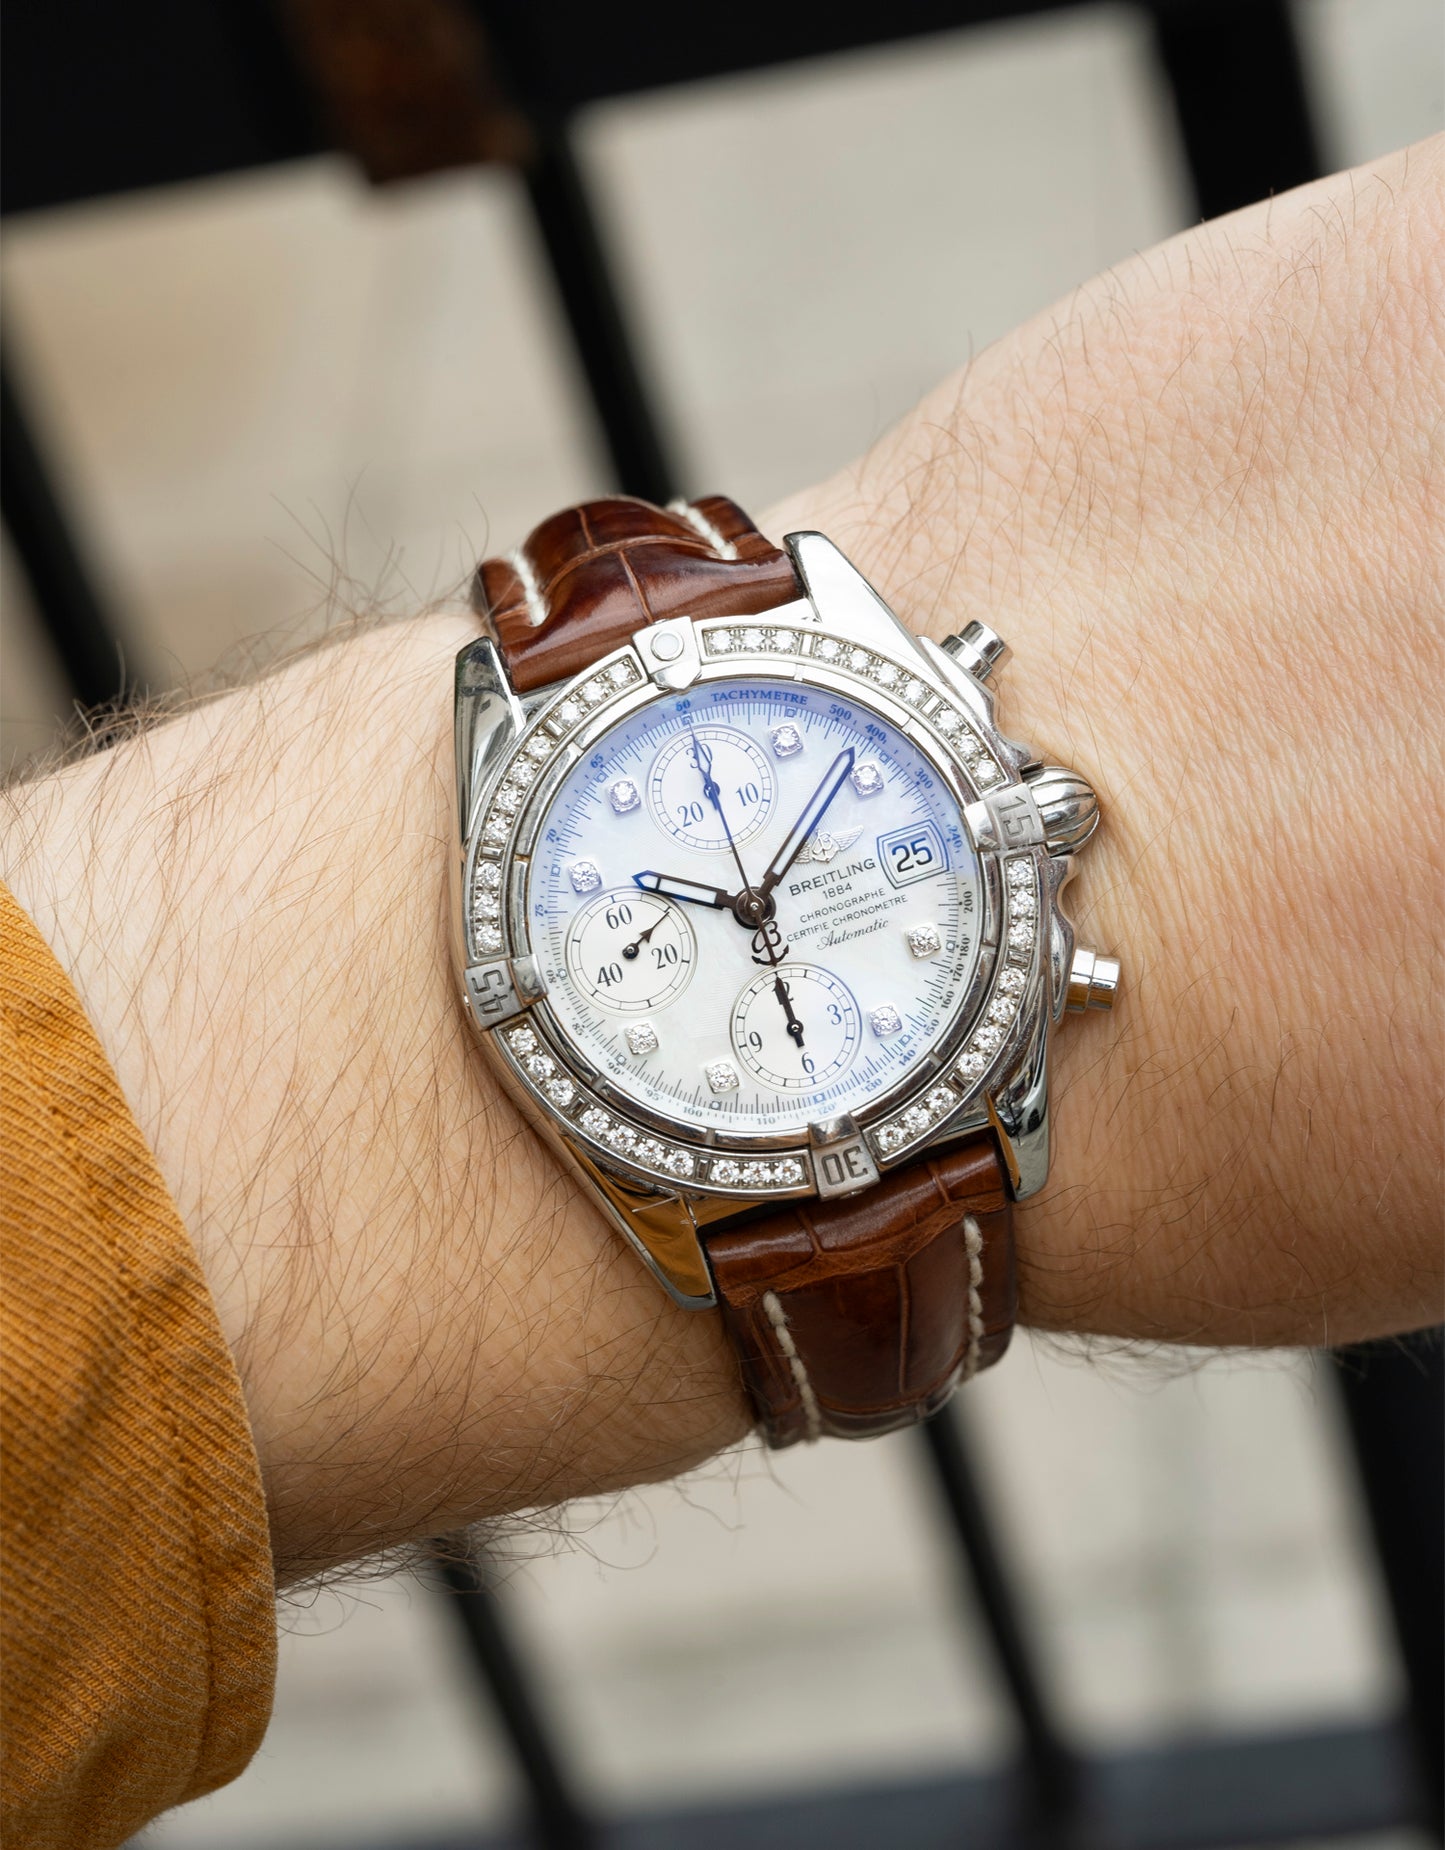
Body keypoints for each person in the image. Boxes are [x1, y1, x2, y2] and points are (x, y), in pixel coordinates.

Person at [2, 134, 1440, 1850]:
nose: (756, 902)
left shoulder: (935, 822)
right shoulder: (524, 952)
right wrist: (353, 1002)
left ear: (1018, 821)